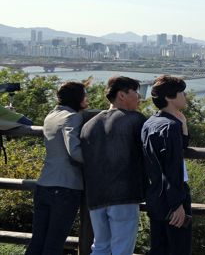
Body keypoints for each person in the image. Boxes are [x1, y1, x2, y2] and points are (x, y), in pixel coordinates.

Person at [80, 76, 146, 255]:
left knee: (100, 246)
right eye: (135, 92)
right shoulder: (135, 119)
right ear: (122, 95)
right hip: (124, 194)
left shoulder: (88, 125)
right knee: (122, 249)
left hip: (95, 196)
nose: (139, 97)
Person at [26, 81, 87, 255]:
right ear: (77, 97)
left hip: (44, 184)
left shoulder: (51, 116)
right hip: (66, 187)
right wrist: (99, 161)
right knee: (54, 243)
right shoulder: (73, 117)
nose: (87, 97)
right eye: (84, 94)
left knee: (37, 241)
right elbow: (74, 151)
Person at [141, 75, 192, 255]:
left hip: (156, 194)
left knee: (159, 247)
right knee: (179, 247)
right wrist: (177, 203)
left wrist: (183, 125)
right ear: (170, 97)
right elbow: (172, 166)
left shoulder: (150, 123)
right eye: (182, 92)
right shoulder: (170, 127)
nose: (185, 96)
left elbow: (176, 150)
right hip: (174, 196)